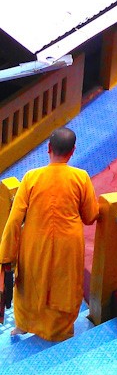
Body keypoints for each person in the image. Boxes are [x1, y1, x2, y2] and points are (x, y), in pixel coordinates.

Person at [0, 127, 98, 341]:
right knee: (64, 285)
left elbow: (15, 219)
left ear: (48, 148)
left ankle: (23, 326)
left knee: (29, 283)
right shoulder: (80, 178)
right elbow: (90, 216)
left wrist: (5, 257)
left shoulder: (31, 177)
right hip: (68, 244)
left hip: (34, 242)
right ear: (72, 152)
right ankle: (60, 332)